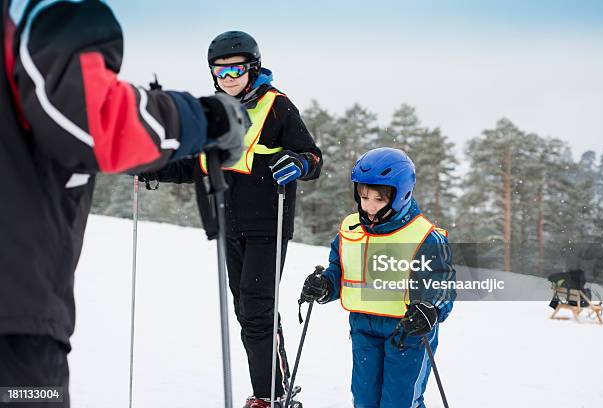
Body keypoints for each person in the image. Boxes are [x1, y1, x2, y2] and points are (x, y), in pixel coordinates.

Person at [0, 1, 248, 406]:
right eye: (223, 69)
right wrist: (201, 119)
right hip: (15, 325)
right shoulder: (50, 8)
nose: (229, 76)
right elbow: (88, 117)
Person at [139, 31, 322, 408]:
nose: (228, 79)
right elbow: (197, 165)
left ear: (253, 68)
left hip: (269, 222)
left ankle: (268, 396)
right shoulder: (215, 111)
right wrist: (156, 169)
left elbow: (312, 157)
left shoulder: (277, 106)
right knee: (249, 309)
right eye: (220, 73)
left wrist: (298, 163)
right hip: (229, 222)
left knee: (255, 309)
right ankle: (277, 383)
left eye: (236, 71)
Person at [300, 148, 455, 408]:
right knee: (365, 399)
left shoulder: (424, 236)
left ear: (401, 195)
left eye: (379, 200)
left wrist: (431, 308)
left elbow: (441, 282)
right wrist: (325, 285)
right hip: (363, 327)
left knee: (400, 402)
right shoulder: (349, 231)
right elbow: (340, 270)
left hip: (408, 331)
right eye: (363, 197)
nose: (369, 206)